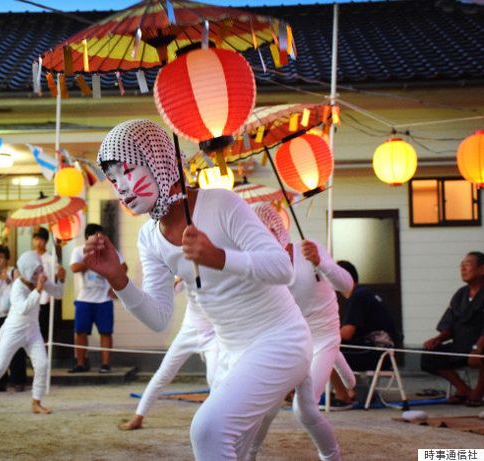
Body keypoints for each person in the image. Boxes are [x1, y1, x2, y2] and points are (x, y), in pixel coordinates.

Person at [83, 119, 340, 461]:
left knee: (208, 429)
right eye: (113, 179)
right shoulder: (149, 237)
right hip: (231, 352)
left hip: (282, 340)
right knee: (237, 448)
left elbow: (282, 268)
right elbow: (159, 318)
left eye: (128, 170)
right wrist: (118, 278)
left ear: (160, 160)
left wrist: (219, 257)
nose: (121, 187)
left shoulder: (221, 204)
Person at [253, 204, 356, 406]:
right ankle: (347, 375)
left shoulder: (308, 249)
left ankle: (345, 375)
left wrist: (320, 262)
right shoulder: (264, 268)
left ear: (276, 230)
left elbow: (347, 285)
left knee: (304, 405)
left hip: (325, 335)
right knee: (272, 398)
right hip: (297, 339)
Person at [0, 250, 63, 417]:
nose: (40, 273)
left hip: (33, 330)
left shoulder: (40, 280)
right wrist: (38, 290)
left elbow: (58, 293)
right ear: (28, 272)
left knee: (42, 364)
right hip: (14, 330)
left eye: (41, 269)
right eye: (36, 271)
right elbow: (23, 308)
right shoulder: (17, 287)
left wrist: (61, 279)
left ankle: (36, 402)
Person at [119, 280, 218, 431]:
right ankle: (138, 417)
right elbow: (172, 289)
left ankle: (216, 423)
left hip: (213, 336)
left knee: (215, 381)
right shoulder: (188, 268)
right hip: (188, 332)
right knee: (163, 374)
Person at [421, 251, 484, 406]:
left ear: (482, 269)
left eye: (468, 265)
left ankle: (478, 392)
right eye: (461, 266)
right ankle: (463, 389)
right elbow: (449, 325)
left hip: (479, 346)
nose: (463, 269)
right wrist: (438, 339)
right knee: (429, 356)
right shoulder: (460, 294)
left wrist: (477, 349)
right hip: (460, 346)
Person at [332, 260, 399, 404]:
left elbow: (347, 333)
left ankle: (343, 395)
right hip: (384, 352)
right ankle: (351, 391)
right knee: (329, 349)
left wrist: (321, 335)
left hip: (377, 353)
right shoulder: (363, 293)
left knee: (326, 352)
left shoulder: (358, 296)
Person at [70, 223, 126, 373]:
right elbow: (74, 268)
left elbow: (123, 268)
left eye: (102, 236)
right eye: (97, 235)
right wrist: (90, 259)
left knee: (105, 331)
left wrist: (116, 288)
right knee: (80, 331)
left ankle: (106, 364)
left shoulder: (109, 252)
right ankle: (81, 363)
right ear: (88, 237)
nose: (100, 239)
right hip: (84, 299)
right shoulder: (78, 251)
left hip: (104, 299)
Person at [0, 244, 27, 392]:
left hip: (14, 315)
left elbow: (20, 288)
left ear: (7, 259)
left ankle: (18, 380)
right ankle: (0, 381)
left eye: (1, 257)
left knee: (16, 348)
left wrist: (6, 278)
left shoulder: (14, 271)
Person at [32, 227, 65, 342]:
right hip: (32, 298)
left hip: (45, 299)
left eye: (41, 239)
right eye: (36, 239)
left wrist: (59, 274)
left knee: (43, 330)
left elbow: (56, 275)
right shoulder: (30, 257)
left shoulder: (51, 258)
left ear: (46, 241)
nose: (38, 242)